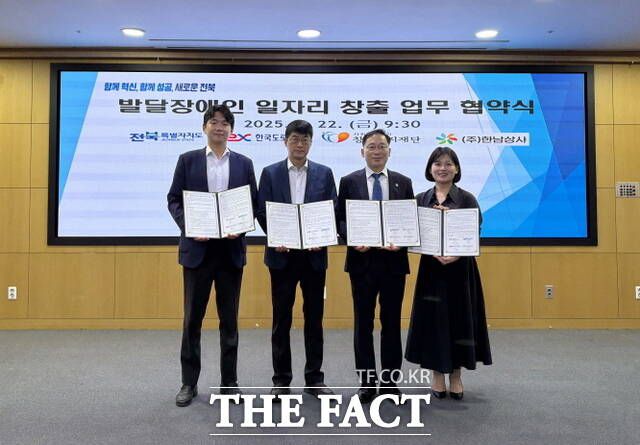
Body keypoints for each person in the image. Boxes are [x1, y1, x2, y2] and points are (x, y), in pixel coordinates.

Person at [167, 104, 258, 407]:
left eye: (225, 123)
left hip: (230, 252)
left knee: (229, 321)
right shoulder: (188, 160)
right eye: (214, 122)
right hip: (198, 251)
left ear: (231, 130)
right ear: (205, 127)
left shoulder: (244, 163)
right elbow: (174, 200)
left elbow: (252, 203)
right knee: (192, 320)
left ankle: (229, 383)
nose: (220, 127)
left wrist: (240, 226)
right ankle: (188, 383)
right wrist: (190, 226)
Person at [257, 120, 337, 398]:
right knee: (281, 319)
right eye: (294, 139)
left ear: (311, 143)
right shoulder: (270, 173)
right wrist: (275, 236)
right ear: (285, 142)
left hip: (314, 257)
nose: (299, 144)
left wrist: (322, 237)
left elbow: (332, 210)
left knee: (314, 319)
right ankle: (281, 380)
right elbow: (262, 210)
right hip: (282, 256)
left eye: (305, 140)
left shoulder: (325, 173)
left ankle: (314, 378)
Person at [405, 146, 492, 401]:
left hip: (460, 271)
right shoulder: (421, 199)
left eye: (448, 164)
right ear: (430, 169)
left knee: (459, 321)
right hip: (431, 270)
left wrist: (457, 252)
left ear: (457, 169)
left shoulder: (467, 199)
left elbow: (475, 232)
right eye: (437, 164)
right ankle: (436, 375)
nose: (442, 168)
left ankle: (455, 376)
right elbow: (413, 233)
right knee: (433, 322)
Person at [337, 129, 414, 403]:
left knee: (391, 324)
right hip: (362, 263)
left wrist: (402, 242)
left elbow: (409, 221)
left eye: (382, 146)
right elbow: (340, 219)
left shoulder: (404, 182)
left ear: (390, 151)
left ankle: (390, 384)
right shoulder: (349, 181)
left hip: (394, 264)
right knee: (363, 324)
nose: (377, 151)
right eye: (371, 146)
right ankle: (367, 383)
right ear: (362, 151)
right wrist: (352, 239)